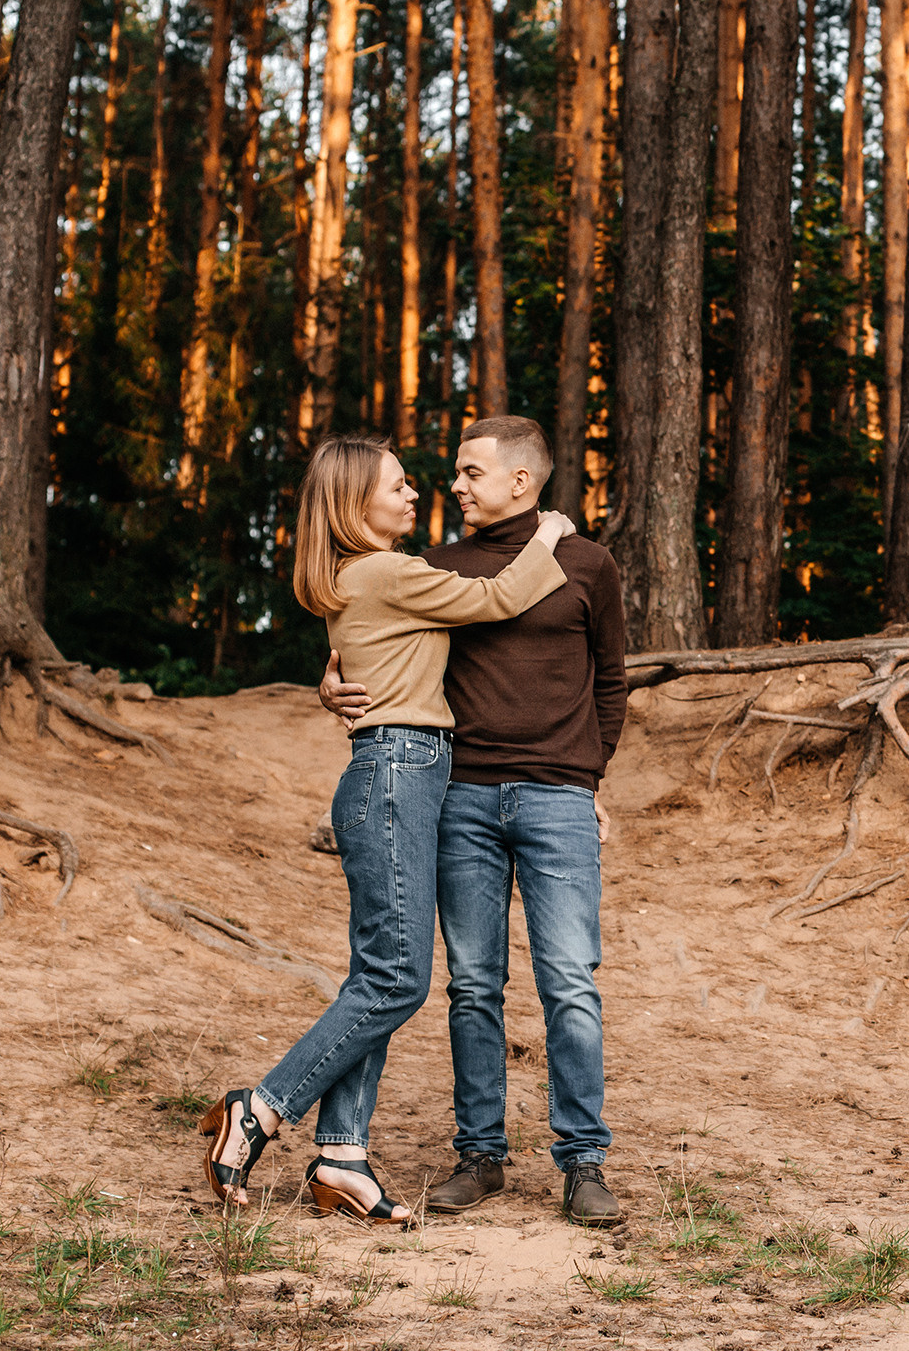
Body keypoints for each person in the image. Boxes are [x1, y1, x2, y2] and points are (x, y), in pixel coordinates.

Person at [201, 435, 576, 1226]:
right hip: (399, 773)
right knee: (397, 979)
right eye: (399, 486)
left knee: (375, 976)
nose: (415, 495)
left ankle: (342, 1158)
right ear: (353, 504)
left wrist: (328, 685)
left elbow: (372, 657)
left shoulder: (360, 579)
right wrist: (547, 533)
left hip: (400, 772)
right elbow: (499, 599)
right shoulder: (385, 571)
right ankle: (260, 1109)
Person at [319, 414, 629, 1228]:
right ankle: (480, 1155)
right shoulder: (434, 566)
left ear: (521, 480)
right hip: (462, 796)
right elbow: (377, 638)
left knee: (570, 984)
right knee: (472, 988)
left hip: (560, 796)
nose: (452, 485)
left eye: (468, 472)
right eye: (450, 474)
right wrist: (331, 681)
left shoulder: (588, 565)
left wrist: (591, 777)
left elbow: (613, 683)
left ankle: (583, 1163)